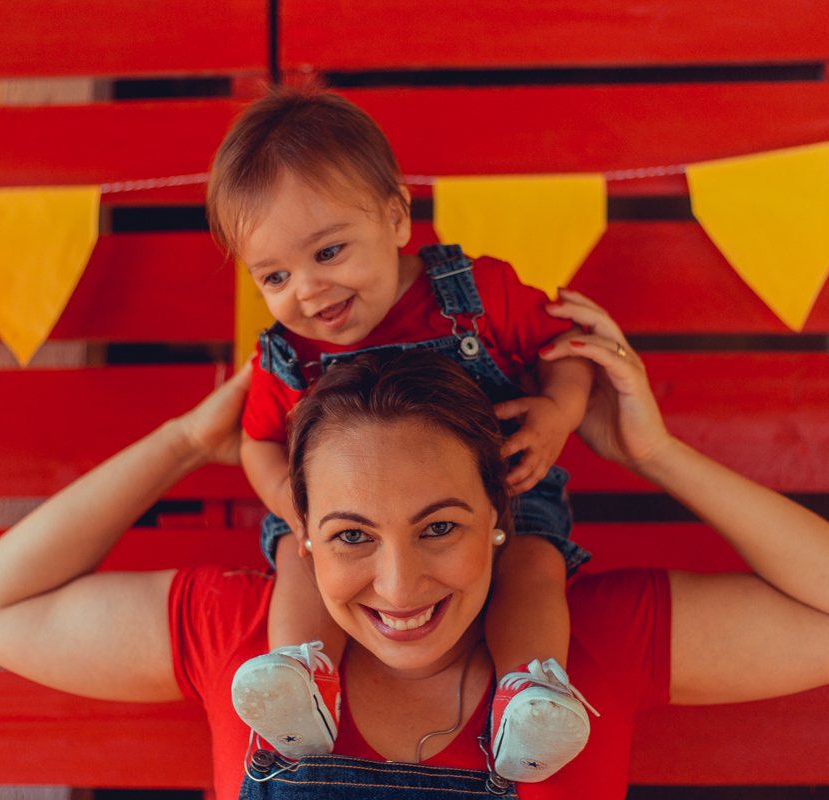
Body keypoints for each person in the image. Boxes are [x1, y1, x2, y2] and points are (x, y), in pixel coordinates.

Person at [0, 292, 829, 800]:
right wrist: (188, 439)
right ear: (300, 535)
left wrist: (658, 454)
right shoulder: (242, 634)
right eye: (351, 535)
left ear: (505, 512)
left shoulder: (589, 641)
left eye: (441, 526)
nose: (399, 582)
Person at [214, 86, 595, 779]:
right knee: (298, 558)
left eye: (329, 252)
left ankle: (529, 695)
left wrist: (558, 413)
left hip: (503, 496)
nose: (307, 290)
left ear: (395, 217)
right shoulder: (289, 355)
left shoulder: (476, 294)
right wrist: (291, 506)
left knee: (533, 567)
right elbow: (257, 441)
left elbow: (565, 347)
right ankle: (302, 677)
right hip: (348, 532)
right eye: (274, 275)